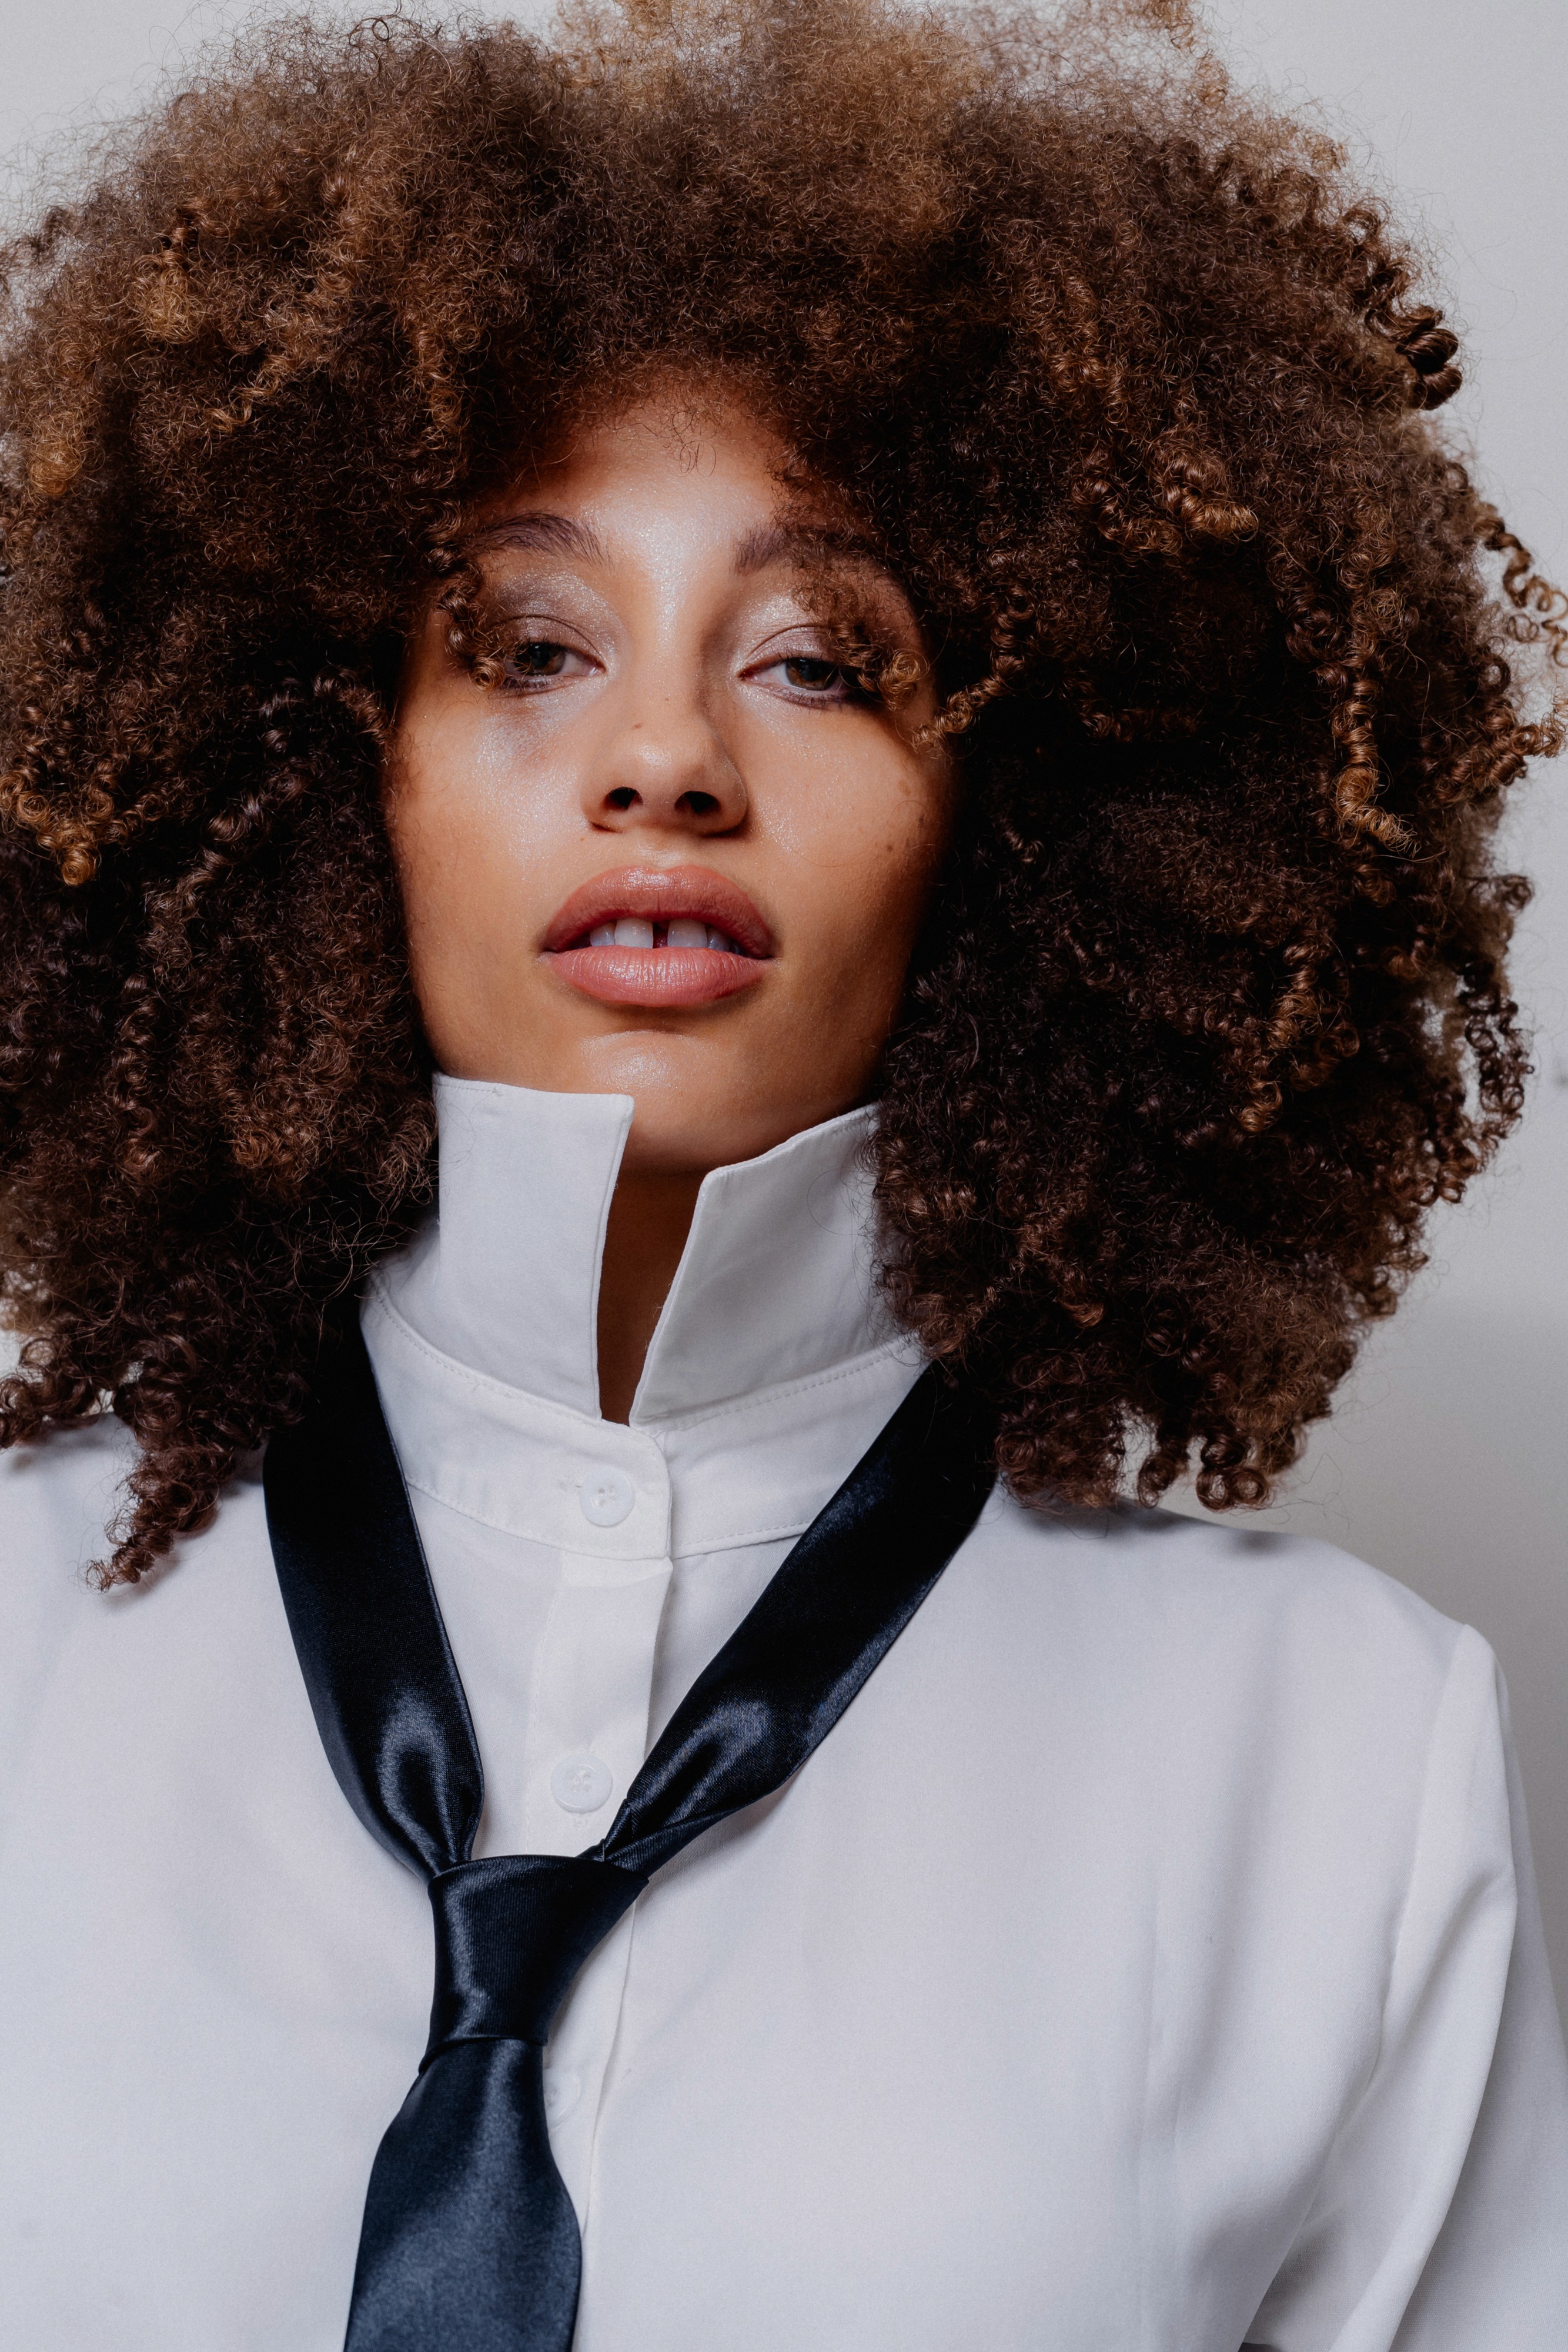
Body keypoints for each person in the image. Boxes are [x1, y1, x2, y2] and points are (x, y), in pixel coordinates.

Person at [1, 2, 1565, 2345]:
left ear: (1025, 828)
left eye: (824, 661)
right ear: (325, 780)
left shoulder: (1330, 1760)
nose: (662, 756)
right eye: (529, 643)